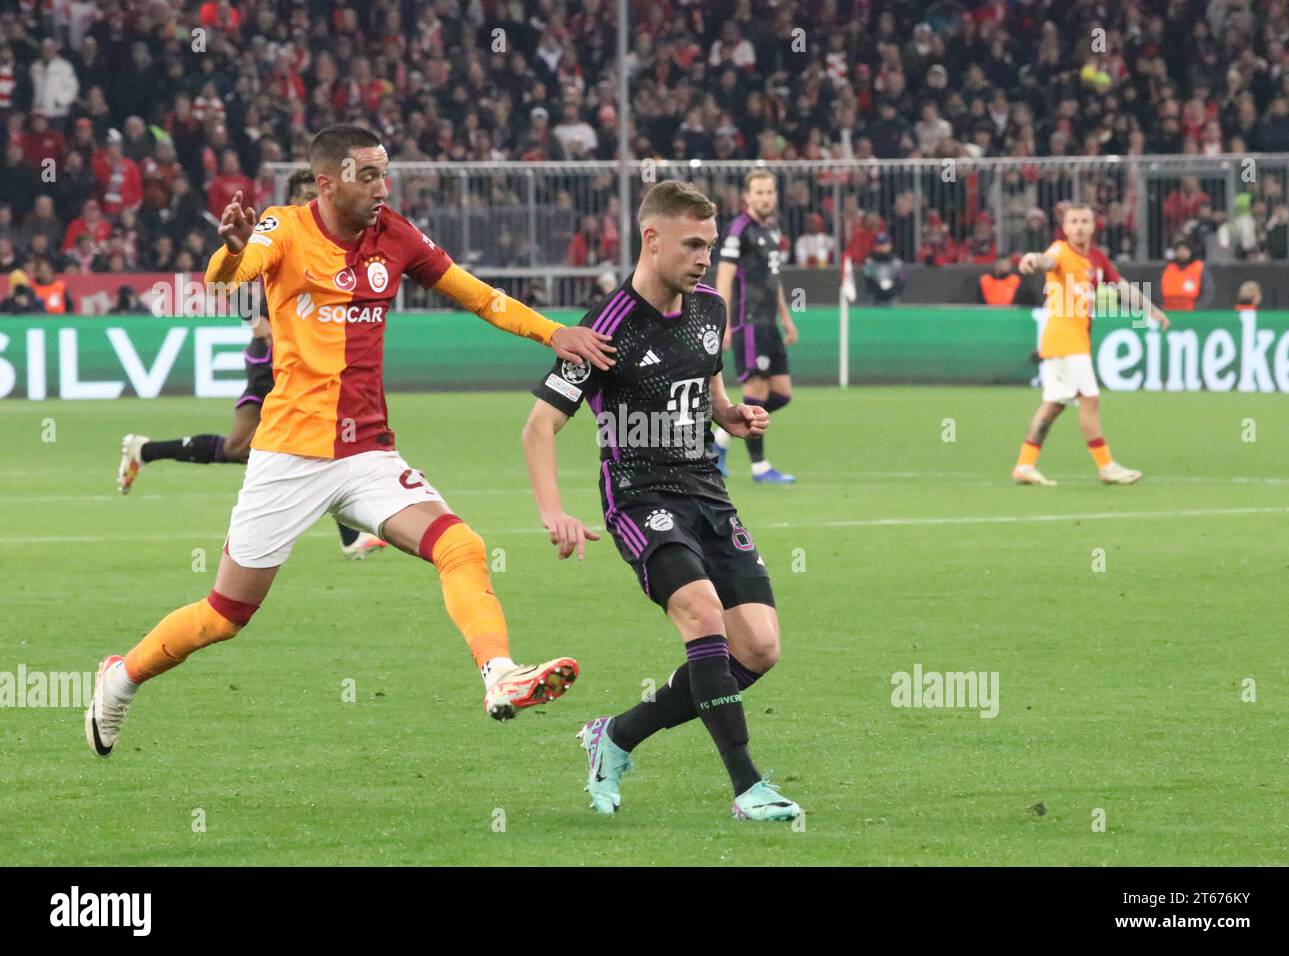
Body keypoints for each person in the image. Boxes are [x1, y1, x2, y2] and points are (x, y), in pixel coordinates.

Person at [85, 125, 616, 760]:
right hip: (288, 455)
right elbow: (231, 274)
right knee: (224, 615)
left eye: (385, 174)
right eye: (369, 176)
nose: (382, 188)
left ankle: (499, 674)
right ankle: (119, 679)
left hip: (366, 453)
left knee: (462, 546)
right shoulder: (283, 227)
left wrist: (552, 332)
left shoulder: (395, 235)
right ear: (328, 181)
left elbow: (477, 296)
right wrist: (228, 250)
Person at [521, 179, 802, 821]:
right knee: (702, 614)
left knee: (758, 648)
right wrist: (553, 511)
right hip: (638, 496)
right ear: (651, 239)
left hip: (708, 492)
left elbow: (707, 382)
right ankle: (748, 786)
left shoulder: (709, 308)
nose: (705, 258)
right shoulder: (605, 327)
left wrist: (729, 415)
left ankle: (616, 736)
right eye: (693, 244)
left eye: (710, 244)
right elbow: (540, 426)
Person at [116, 169, 389, 559]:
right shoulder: (276, 231)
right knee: (275, 444)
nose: (316, 200)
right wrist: (257, 323)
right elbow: (232, 280)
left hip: (301, 353)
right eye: (308, 193)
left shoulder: (328, 235)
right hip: (273, 354)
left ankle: (145, 450)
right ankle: (350, 536)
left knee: (282, 443)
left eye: (318, 193)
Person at [1012, 202, 1169, 486]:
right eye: (1073, 221)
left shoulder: (1097, 257)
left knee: (1054, 405)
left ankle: (1024, 465)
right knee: (1090, 398)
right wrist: (1032, 258)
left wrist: (1151, 309)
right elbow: (1046, 260)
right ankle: (1106, 465)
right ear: (1065, 227)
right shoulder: (1060, 250)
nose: (1079, 226)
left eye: (1085, 221)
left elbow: (1120, 285)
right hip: (1065, 338)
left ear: (1094, 225)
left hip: (1074, 339)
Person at [712, 170, 797, 484]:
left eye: (769, 192)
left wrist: (785, 317)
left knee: (782, 394)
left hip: (769, 323)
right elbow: (724, 278)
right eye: (759, 192)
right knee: (756, 392)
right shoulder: (739, 230)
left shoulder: (773, 229)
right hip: (747, 324)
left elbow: (773, 280)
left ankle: (719, 439)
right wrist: (723, 323)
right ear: (747, 197)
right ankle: (760, 468)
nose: (765, 197)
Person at [1160, 236, 1211, 311]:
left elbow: (1208, 291)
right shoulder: (1168, 268)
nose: (1182, 252)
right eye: (1179, 249)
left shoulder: (1199, 267)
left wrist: (1197, 308)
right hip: (1168, 309)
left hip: (1191, 310)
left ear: (1190, 251)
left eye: (1185, 249)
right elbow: (1158, 289)